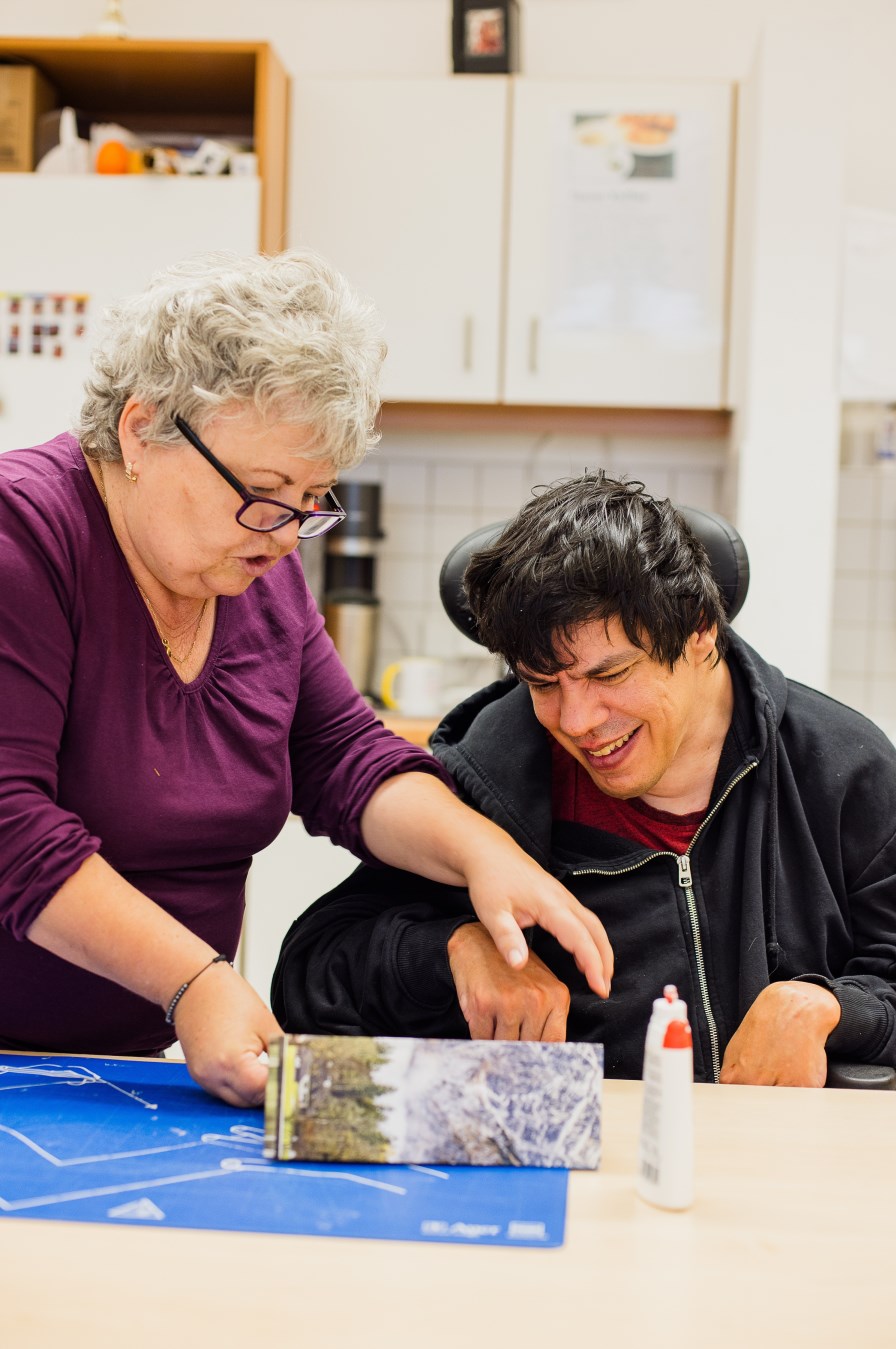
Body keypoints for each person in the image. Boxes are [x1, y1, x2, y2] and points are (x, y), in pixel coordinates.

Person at [0, 252, 613, 1108]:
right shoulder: (23, 540)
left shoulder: (247, 563)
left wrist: (483, 852)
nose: (288, 536)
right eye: (263, 492)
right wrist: (194, 982)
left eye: (312, 500)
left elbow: (343, 755)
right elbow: (11, 829)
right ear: (141, 431)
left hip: (129, 1069)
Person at [272, 473, 896, 1086]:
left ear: (701, 630)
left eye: (610, 675)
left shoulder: (842, 768)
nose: (576, 723)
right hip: (572, 1167)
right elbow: (311, 977)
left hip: (780, 1159)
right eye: (543, 683)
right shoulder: (491, 777)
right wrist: (455, 950)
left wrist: (831, 1010)